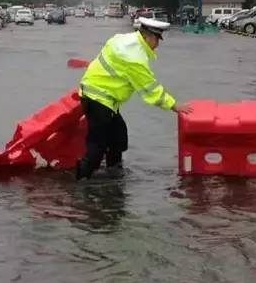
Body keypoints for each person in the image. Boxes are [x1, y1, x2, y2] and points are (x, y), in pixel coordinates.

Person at [76, 17, 192, 179]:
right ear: (147, 37)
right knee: (96, 147)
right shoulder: (135, 57)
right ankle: (81, 185)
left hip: (96, 94)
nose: (158, 44)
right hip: (99, 100)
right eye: (157, 39)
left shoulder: (123, 39)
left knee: (119, 136)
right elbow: (149, 89)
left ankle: (113, 172)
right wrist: (174, 105)